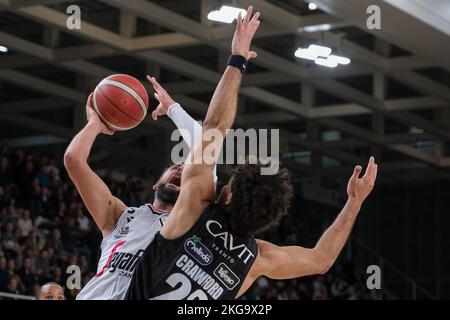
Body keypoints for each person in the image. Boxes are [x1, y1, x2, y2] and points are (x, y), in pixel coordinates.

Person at [125, 6, 378, 300]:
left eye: (228, 183)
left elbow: (215, 125)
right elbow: (321, 259)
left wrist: (238, 57)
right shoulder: (257, 260)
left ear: (229, 196)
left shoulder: (194, 209)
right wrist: (354, 202)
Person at [64, 75, 211, 299]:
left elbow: (209, 150)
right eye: (175, 167)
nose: (181, 170)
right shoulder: (118, 216)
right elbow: (74, 160)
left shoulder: (190, 226)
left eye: (186, 171)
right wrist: (95, 124)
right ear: (155, 183)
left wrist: (173, 109)